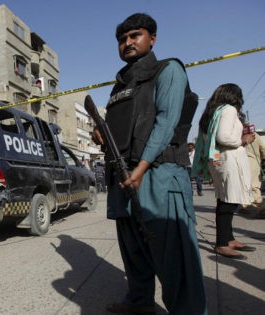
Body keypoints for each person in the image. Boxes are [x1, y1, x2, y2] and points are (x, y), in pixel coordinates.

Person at [92, 13, 207, 315]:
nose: (127, 43)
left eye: (135, 36)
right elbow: (121, 125)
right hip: (123, 176)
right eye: (122, 39)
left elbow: (166, 123)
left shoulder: (168, 69)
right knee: (134, 252)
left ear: (151, 38)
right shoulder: (119, 86)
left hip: (157, 174)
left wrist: (141, 169)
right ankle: (140, 303)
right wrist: (101, 134)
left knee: (175, 261)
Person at [193, 83, 256, 260]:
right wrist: (243, 139)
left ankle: (228, 238)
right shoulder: (228, 109)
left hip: (219, 161)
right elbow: (224, 137)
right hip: (229, 159)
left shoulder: (212, 112)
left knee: (225, 199)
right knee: (229, 201)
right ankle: (222, 243)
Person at [245, 132, 265, 211]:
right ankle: (261, 208)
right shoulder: (255, 135)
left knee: (244, 185)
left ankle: (245, 205)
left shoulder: (239, 133)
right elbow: (263, 148)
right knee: (254, 186)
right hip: (253, 162)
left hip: (240, 162)